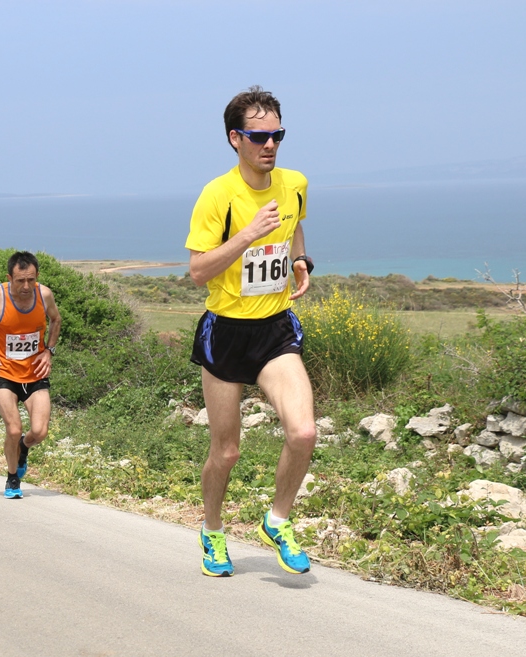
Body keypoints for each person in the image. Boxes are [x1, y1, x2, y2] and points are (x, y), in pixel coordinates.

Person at [185, 86, 317, 577]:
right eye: (259, 136)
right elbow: (198, 272)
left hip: (274, 329)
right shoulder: (217, 195)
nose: (271, 145)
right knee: (227, 450)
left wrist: (300, 259)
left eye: (278, 135)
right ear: (234, 139)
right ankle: (212, 532)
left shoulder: (295, 182)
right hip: (226, 332)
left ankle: (277, 520)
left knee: (303, 432)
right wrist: (246, 237)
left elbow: (296, 226)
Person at [0, 251, 62, 499]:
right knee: (13, 429)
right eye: (20, 280)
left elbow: (56, 319)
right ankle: (12, 479)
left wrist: (49, 352)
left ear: (37, 276)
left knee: (39, 432)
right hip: (4, 373)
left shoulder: (45, 294)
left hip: (35, 372)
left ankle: (23, 448)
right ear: (10, 278)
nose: (26, 286)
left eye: (31, 279)